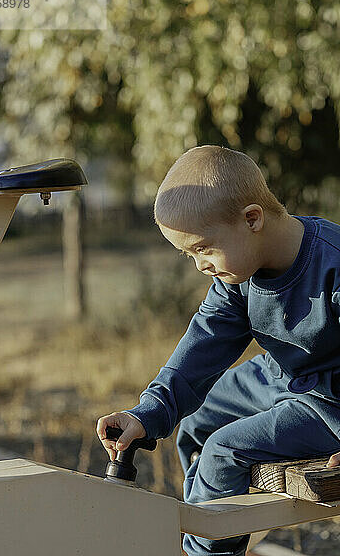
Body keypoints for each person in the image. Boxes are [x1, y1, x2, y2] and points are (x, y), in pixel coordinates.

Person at [97, 145, 340, 556]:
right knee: (199, 425)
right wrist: (146, 415)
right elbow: (201, 346)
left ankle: (206, 549)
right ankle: (210, 532)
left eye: (204, 249)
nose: (200, 266)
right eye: (190, 255)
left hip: (330, 401)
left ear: (252, 219)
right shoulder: (237, 278)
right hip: (281, 376)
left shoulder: (333, 265)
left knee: (223, 450)